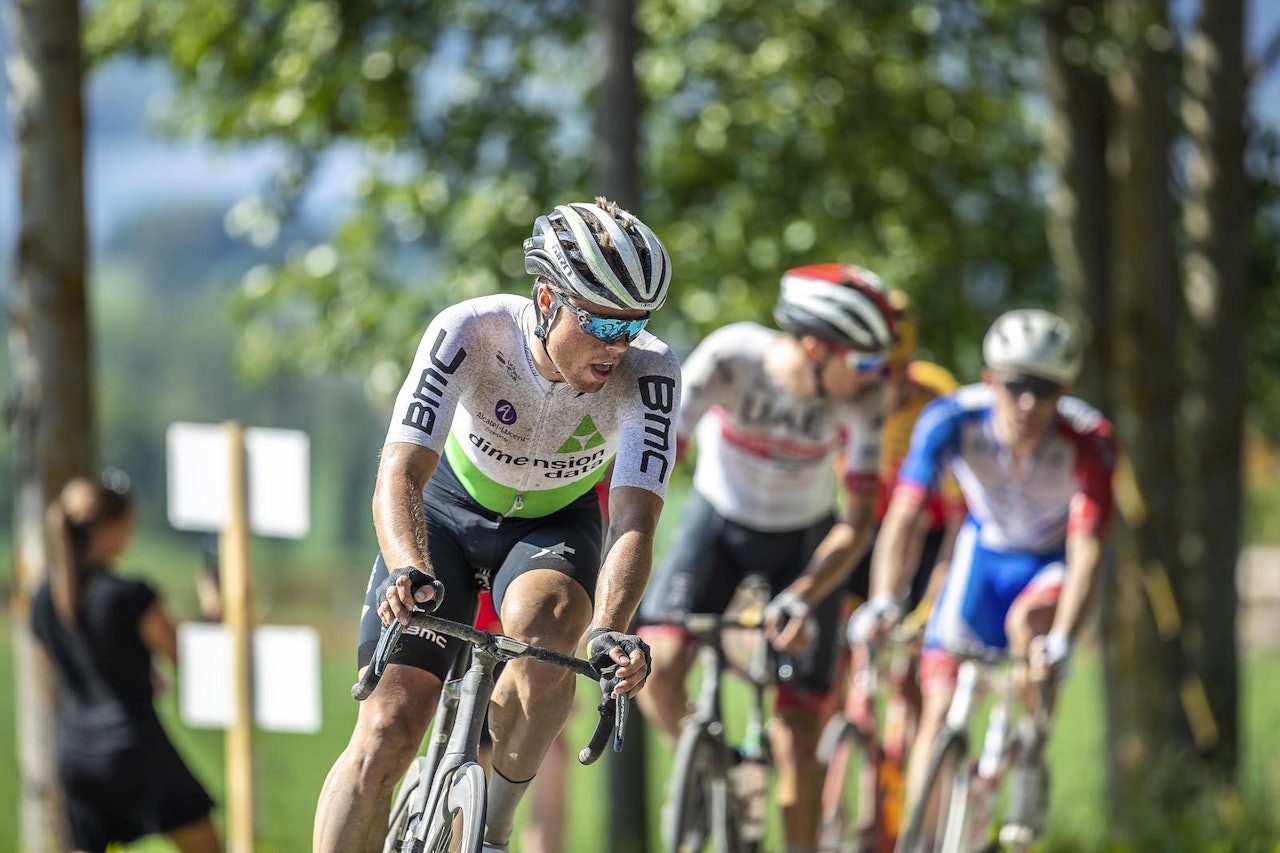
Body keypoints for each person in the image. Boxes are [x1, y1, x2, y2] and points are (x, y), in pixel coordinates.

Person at [313, 197, 680, 853]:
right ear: (547, 299)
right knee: (388, 729)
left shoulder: (651, 373)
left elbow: (634, 519)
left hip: (553, 522)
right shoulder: (471, 330)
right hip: (444, 513)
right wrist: (406, 565)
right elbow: (400, 472)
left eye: (634, 325)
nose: (616, 346)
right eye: (600, 321)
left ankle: (492, 829)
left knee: (551, 627)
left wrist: (610, 627)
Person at [637, 263, 898, 853]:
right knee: (658, 664)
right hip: (718, 523)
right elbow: (654, 462)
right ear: (816, 347)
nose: (874, 376)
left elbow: (856, 522)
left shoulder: (867, 399)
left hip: (804, 543)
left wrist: (803, 596)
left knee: (797, 733)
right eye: (863, 362)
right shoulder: (730, 357)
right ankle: (710, 771)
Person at [850, 308, 1116, 843]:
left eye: (1044, 390)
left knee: (1030, 628)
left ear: (1063, 393)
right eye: (1016, 386)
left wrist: (1065, 636)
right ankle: (921, 840)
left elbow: (1088, 546)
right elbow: (905, 515)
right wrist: (883, 599)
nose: (1028, 403)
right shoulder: (952, 417)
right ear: (990, 379)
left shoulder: (1089, 438)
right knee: (937, 710)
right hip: (983, 556)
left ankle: (1031, 750)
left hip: (1049, 561)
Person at [29, 471, 222, 853]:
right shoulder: (129, 596)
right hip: (134, 749)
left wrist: (134, 670)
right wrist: (214, 612)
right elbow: (184, 654)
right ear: (108, 528)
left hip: (75, 754)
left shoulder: (43, 599)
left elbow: (54, 672)